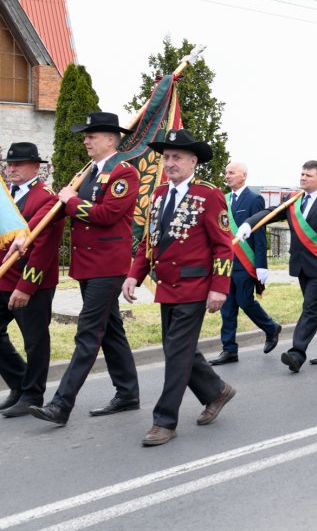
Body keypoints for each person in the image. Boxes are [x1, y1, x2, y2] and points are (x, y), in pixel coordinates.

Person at [122, 129, 236, 446]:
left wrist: (219, 287)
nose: (169, 163)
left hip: (196, 286)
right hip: (167, 287)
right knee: (179, 349)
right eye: (166, 157)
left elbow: (224, 247)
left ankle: (165, 421)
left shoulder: (209, 195)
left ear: (192, 161)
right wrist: (134, 274)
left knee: (176, 354)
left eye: (177, 157)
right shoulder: (159, 195)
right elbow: (149, 243)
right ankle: (217, 391)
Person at [30, 113, 140, 427]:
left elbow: (107, 214)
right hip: (89, 265)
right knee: (111, 333)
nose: (85, 140)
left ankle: (60, 405)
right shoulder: (89, 172)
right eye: (86, 135)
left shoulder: (124, 173)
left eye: (92, 135)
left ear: (111, 139)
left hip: (108, 266)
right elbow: (67, 207)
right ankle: (128, 392)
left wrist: (71, 201)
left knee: (88, 333)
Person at [240, 160, 317, 372]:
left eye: (308, 175)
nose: (303, 178)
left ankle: (296, 353)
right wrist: (249, 224)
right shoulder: (294, 199)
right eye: (302, 174)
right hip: (301, 265)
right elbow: (271, 212)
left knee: (310, 308)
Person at [0, 143, 63, 418]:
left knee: (34, 340)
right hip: (2, 279)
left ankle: (33, 393)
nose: (12, 169)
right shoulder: (6, 193)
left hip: (30, 283)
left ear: (36, 167)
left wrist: (26, 287)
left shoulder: (46, 199)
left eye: (19, 164)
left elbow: (45, 248)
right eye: (9, 164)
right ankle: (19, 383)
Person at [211, 162, 282, 365]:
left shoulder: (254, 199)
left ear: (244, 175)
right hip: (226, 263)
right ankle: (229, 349)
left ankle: (271, 327)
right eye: (226, 172)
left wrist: (261, 264)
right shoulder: (223, 199)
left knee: (245, 301)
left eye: (231, 172)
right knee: (227, 307)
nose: (227, 175)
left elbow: (259, 231)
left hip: (245, 262)